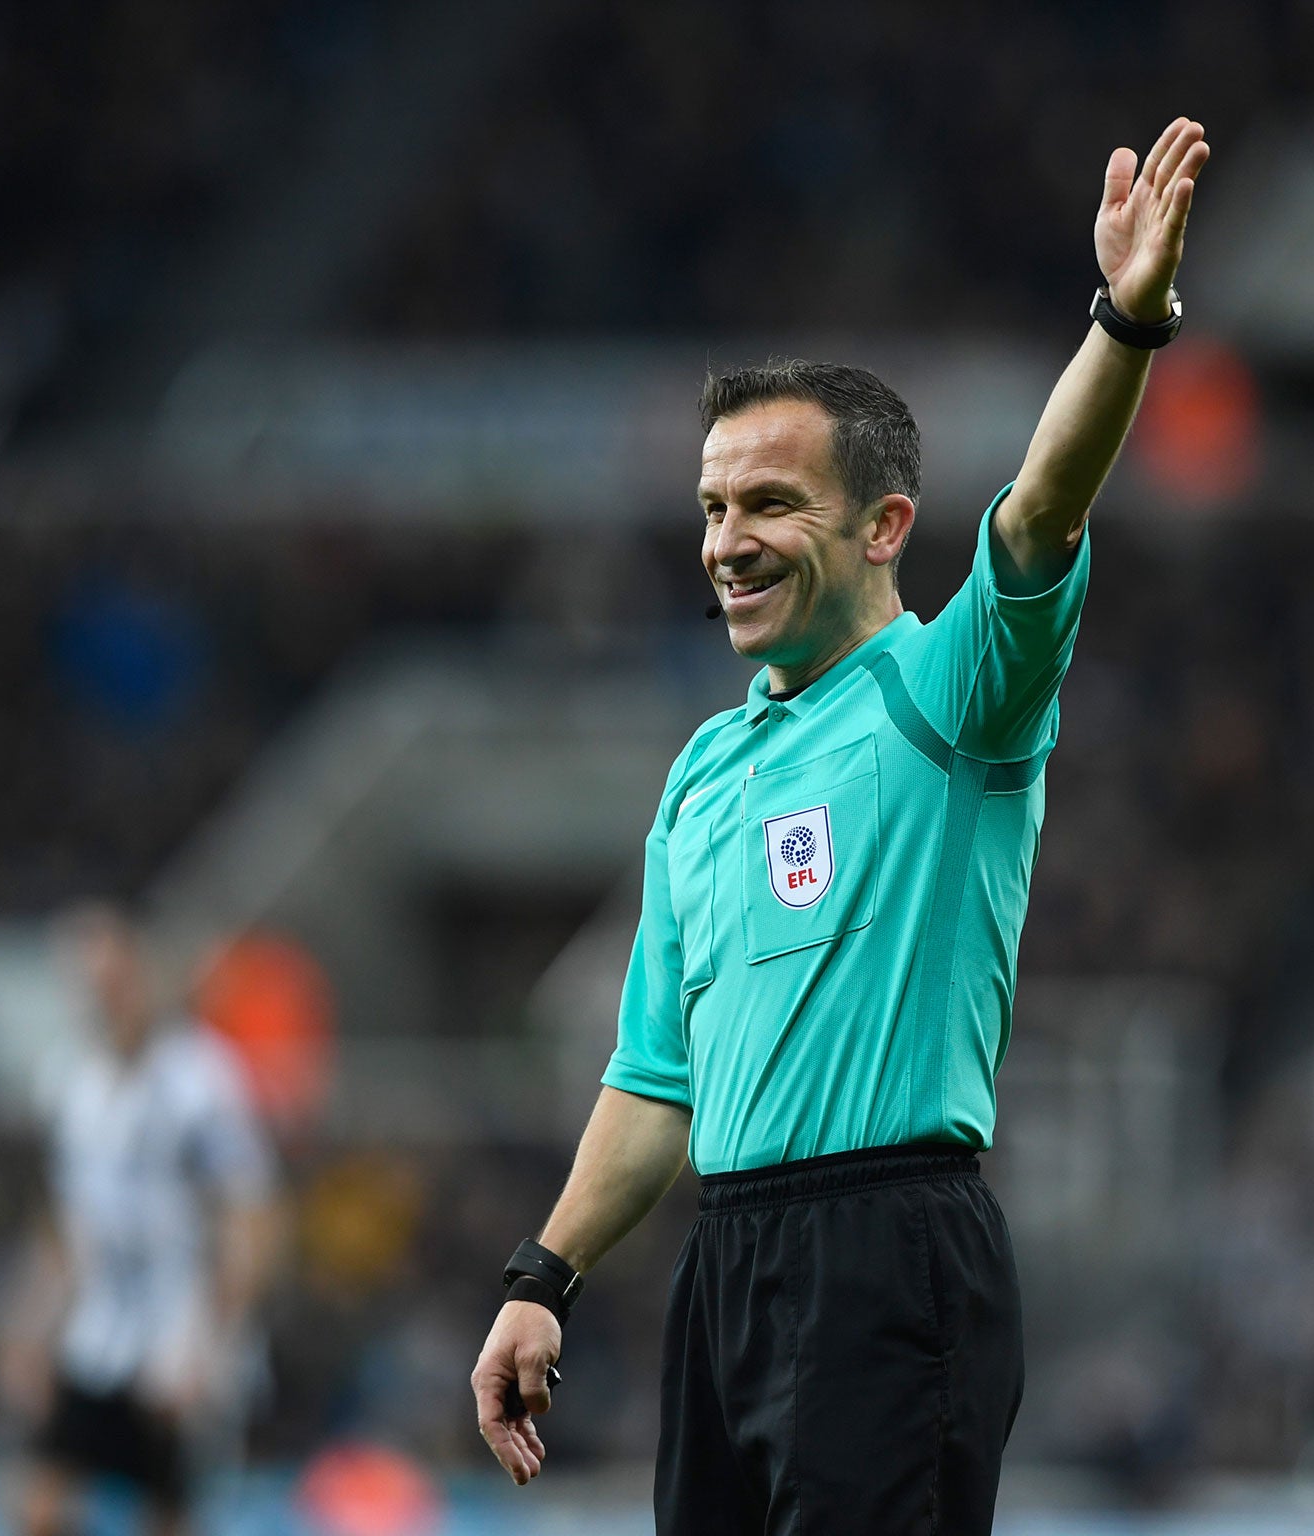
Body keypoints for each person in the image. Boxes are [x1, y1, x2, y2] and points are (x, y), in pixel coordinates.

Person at [470, 117, 1211, 1532]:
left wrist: (1124, 322)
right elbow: (653, 1083)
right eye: (709, 505)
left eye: (769, 502)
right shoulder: (700, 777)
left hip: (890, 1253)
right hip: (725, 1271)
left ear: (882, 525)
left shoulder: (949, 695)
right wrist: (540, 1278)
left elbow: (1043, 509)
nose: (724, 539)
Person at [0, 905, 284, 1536]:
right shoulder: (71, 1081)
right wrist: (31, 1326)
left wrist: (212, 1342)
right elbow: (66, 1223)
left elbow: (251, 1219)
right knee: (37, 1503)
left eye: (117, 979)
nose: (106, 997)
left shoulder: (201, 1080)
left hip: (177, 1339)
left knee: (168, 1514)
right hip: (99, 1334)